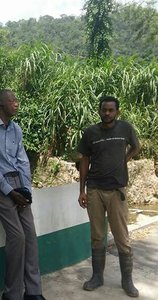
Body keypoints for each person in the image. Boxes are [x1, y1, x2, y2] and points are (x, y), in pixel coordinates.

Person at [0, 89, 45, 300]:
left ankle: (34, 291)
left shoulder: (16, 129)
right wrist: (10, 191)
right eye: (12, 100)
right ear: (0, 104)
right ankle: (12, 294)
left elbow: (22, 160)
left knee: (30, 235)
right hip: (0, 187)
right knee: (17, 237)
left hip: (19, 183)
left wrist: (25, 188)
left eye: (17, 100)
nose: (16, 103)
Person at [78, 95, 140, 297]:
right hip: (95, 189)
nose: (107, 113)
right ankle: (97, 277)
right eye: (104, 110)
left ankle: (127, 281)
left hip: (116, 191)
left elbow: (136, 146)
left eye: (111, 110)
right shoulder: (90, 133)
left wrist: (124, 159)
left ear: (117, 112)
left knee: (122, 237)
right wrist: (82, 190)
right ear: (99, 111)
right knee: (97, 235)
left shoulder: (125, 128)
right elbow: (85, 160)